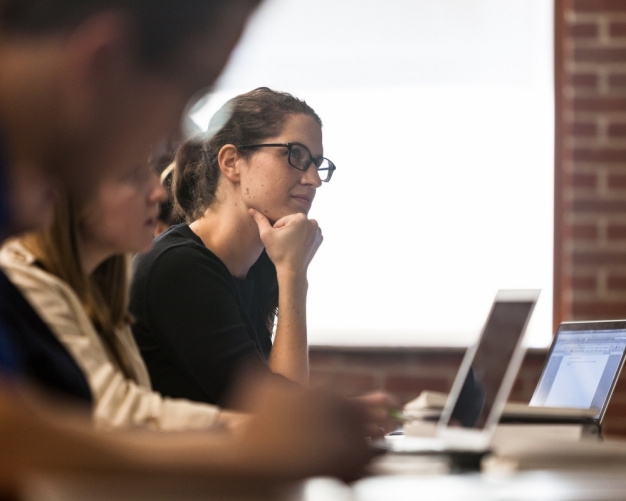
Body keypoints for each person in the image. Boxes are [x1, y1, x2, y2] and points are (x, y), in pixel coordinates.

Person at [0, 0, 374, 495]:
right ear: (102, 63)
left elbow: (20, 426)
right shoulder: (177, 266)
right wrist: (253, 448)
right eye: (187, 90)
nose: (177, 136)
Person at [0, 157, 244, 430]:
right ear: (72, 188)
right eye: (132, 175)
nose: (158, 192)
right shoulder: (19, 280)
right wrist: (241, 428)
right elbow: (110, 410)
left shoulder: (100, 290)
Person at [130, 88, 331, 405]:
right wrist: (293, 274)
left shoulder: (254, 267)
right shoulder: (178, 267)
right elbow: (277, 416)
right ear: (232, 161)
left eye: (317, 163)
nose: (314, 180)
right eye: (295, 155)